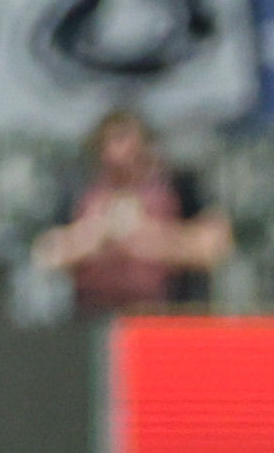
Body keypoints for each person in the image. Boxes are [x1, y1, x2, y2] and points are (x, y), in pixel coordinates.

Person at [31, 108, 234, 316]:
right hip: (92, 314)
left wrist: (156, 241)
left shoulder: (179, 185)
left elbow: (216, 244)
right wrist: (94, 236)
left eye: (122, 138)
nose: (116, 150)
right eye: (107, 141)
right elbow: (45, 252)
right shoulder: (78, 188)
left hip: (165, 312)